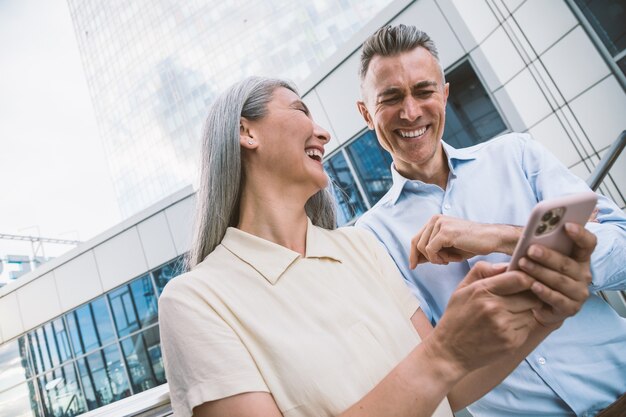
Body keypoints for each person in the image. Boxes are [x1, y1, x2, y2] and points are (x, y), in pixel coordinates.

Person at [158, 76, 596, 417]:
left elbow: (451, 389)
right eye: (300, 111)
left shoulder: (361, 248)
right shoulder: (196, 301)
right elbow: (440, 365)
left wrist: (545, 313)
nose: (323, 133)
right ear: (245, 132)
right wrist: (442, 353)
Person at [355, 24, 626, 417]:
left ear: (445, 94)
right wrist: (558, 245)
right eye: (391, 98)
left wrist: (497, 236)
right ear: (366, 114)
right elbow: (425, 359)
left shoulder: (516, 156)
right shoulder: (372, 238)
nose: (411, 111)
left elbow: (620, 250)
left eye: (424, 91)